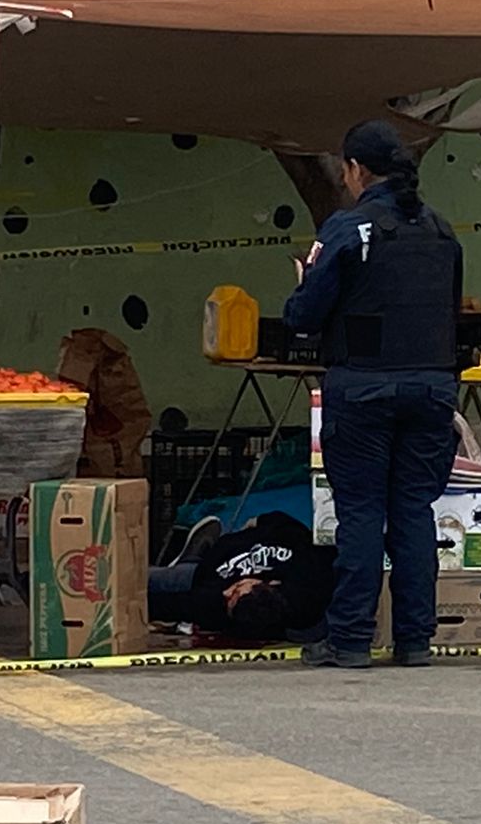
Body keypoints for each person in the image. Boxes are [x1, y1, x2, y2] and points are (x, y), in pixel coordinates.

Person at [283, 119, 462, 668]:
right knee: (414, 510)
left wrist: (301, 286)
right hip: (432, 388)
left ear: (355, 170)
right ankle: (415, 640)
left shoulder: (348, 229)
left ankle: (351, 639)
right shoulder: (441, 231)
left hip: (362, 390)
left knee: (361, 512)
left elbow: (303, 318)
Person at [148, 513, 335, 642]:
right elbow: (300, 534)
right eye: (237, 590)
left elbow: (171, 605)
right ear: (264, 584)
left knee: (148, 580)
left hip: (203, 573)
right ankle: (192, 557)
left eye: (230, 598)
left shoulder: (218, 604)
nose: (227, 591)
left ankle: (190, 558)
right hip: (244, 542)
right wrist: (261, 521)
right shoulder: (309, 583)